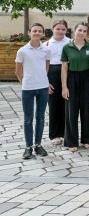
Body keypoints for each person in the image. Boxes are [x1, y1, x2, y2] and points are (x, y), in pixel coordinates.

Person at [16, 23, 51, 159]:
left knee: (41, 117)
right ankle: (28, 147)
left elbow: (46, 67)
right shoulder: (22, 51)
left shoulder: (46, 50)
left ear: (43, 34)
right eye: (34, 31)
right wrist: (24, 82)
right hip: (28, 89)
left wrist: (42, 79)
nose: (37, 33)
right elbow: (18, 71)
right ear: (29, 32)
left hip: (42, 87)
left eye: (39, 31)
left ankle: (38, 145)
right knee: (28, 119)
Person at [61, 23, 89, 152]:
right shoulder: (67, 47)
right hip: (72, 78)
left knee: (86, 109)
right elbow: (64, 68)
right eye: (79, 30)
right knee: (71, 110)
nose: (82, 33)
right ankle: (71, 141)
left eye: (84, 31)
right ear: (74, 31)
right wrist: (64, 87)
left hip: (87, 78)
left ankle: (87, 139)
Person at [46, 20, 70, 146]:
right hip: (52, 75)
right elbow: (43, 65)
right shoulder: (47, 44)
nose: (60, 31)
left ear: (66, 30)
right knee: (54, 105)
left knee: (67, 105)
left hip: (68, 74)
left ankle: (66, 132)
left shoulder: (70, 42)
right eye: (58, 29)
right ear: (52, 29)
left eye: (63, 29)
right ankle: (55, 134)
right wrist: (46, 81)